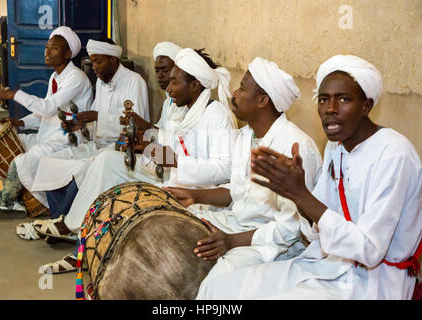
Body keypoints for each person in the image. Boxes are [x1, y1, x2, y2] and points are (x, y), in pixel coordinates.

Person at [198, 55, 422, 300]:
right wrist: (295, 194)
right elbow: (316, 231)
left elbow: (369, 251)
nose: (330, 109)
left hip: (372, 282)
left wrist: (301, 195)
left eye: (344, 99)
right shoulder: (336, 147)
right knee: (218, 288)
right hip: (327, 263)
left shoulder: (394, 154)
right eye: (324, 99)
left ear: (366, 106)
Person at [37, 47, 238, 273]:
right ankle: (76, 228)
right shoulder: (185, 111)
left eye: (174, 82)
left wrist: (174, 160)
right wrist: (146, 144)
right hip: (171, 174)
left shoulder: (217, 115)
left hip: (195, 190)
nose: (169, 89)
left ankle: (81, 249)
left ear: (195, 85)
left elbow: (225, 169)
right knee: (107, 160)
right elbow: (169, 143)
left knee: (113, 175)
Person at [164, 57, 322, 298]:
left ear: (262, 100)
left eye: (242, 88)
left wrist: (231, 241)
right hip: (234, 223)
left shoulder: (296, 146)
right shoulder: (246, 136)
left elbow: (289, 230)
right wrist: (195, 196)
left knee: (215, 286)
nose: (234, 94)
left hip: (272, 246)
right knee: (171, 234)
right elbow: (236, 193)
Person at [14, 37, 150, 240]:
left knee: (80, 169)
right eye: (92, 61)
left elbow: (135, 125)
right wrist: (78, 124)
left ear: (113, 60)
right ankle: (58, 218)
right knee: (50, 162)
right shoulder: (103, 82)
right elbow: (96, 114)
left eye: (98, 61)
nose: (94, 67)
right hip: (97, 143)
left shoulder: (134, 82)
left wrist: (97, 117)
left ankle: (68, 224)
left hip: (118, 149)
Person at [0, 26, 93, 219]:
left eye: (54, 48)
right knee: (13, 143)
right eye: (47, 47)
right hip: (49, 135)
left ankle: (6, 203)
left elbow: (48, 107)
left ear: (68, 53)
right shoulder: (56, 77)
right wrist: (20, 122)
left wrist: (14, 94)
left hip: (67, 140)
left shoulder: (76, 78)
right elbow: (43, 114)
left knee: (23, 161)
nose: (47, 51)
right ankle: (19, 201)